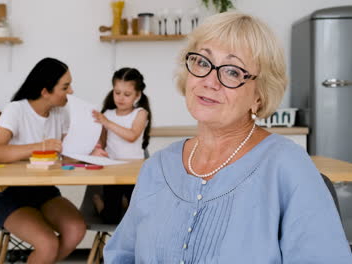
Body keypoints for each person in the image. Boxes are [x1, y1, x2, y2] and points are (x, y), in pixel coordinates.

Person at [104, 12, 352, 263]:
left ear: (259, 95)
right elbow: (122, 255)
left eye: (233, 72)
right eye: (202, 62)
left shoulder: (288, 167)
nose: (210, 81)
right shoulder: (156, 168)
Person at [0, 58, 86, 264]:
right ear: (45, 92)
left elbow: (66, 154)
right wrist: (38, 147)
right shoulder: (16, 110)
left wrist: (91, 150)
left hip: (44, 190)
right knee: (48, 244)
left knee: (76, 229)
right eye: (65, 87)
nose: (71, 92)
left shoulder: (60, 113)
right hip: (9, 192)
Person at [91, 67, 152, 224]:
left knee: (140, 216)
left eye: (127, 94)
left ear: (137, 95)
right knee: (110, 218)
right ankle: (98, 199)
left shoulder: (140, 113)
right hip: (113, 169)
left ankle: (124, 201)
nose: (121, 98)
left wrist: (107, 122)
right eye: (117, 92)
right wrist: (97, 149)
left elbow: (132, 136)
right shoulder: (108, 114)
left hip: (135, 171)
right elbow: (102, 143)